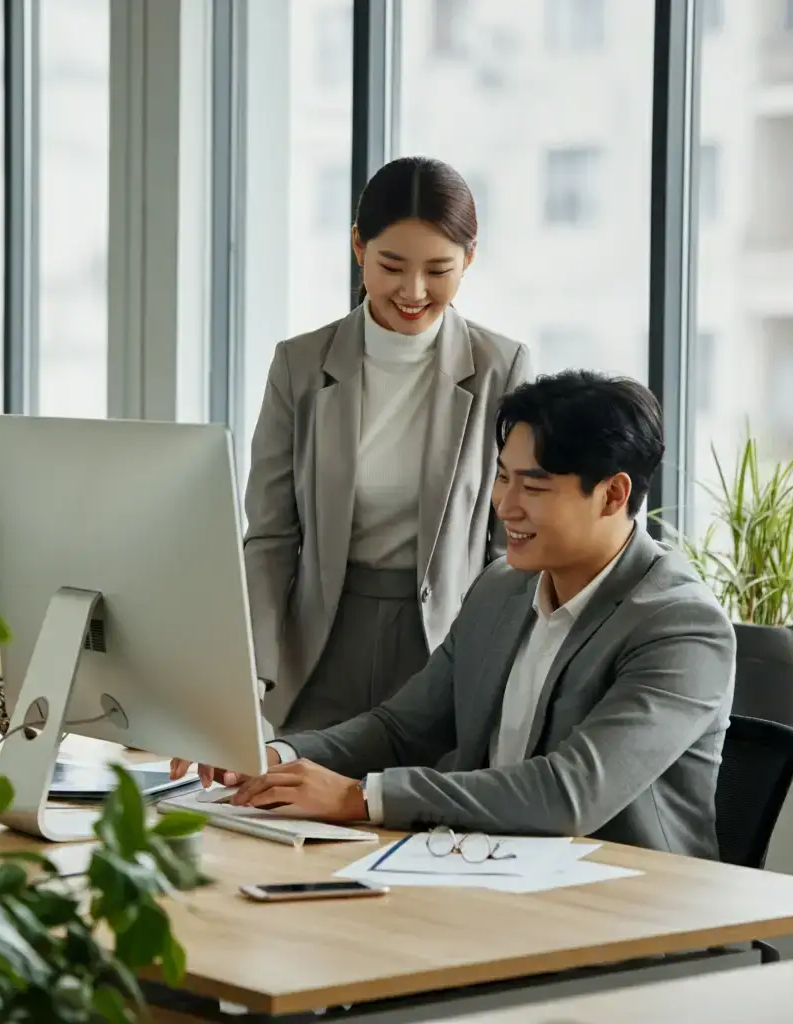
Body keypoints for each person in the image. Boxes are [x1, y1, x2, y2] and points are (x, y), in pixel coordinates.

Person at [173, 371, 736, 859]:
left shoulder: (680, 626)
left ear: (613, 494)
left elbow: (570, 794)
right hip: (482, 869)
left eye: (534, 486)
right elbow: (400, 729)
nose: (505, 504)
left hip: (630, 911)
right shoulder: (501, 588)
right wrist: (276, 756)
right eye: (502, 476)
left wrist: (358, 798)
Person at [245, 156, 531, 735]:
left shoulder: (502, 369)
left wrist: (497, 672)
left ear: (470, 258)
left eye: (439, 269)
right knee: (291, 807)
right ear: (358, 247)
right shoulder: (299, 366)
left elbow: (510, 547)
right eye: (392, 265)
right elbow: (271, 537)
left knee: (409, 813)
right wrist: (252, 672)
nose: (413, 291)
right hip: (319, 646)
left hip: (445, 648)